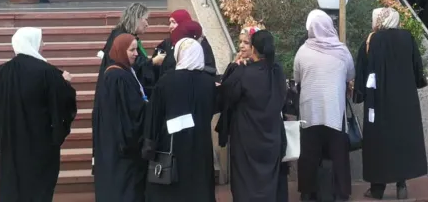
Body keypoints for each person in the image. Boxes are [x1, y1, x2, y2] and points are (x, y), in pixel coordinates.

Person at [0, 27, 78, 202]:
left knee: (13, 188)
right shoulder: (48, 72)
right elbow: (62, 105)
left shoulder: (2, 72)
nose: (43, 45)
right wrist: (66, 84)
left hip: (11, 145)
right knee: (38, 189)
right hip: (40, 145)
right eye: (41, 41)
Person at [354, 8, 427, 200]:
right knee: (401, 139)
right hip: (405, 100)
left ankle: (377, 188)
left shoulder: (371, 40)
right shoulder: (407, 38)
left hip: (378, 101)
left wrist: (359, 94)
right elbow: (417, 67)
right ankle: (401, 184)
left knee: (378, 142)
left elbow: (362, 68)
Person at [143, 38, 218, 202]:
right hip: (200, 144)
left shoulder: (166, 81)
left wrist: (149, 142)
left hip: (172, 143)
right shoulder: (208, 83)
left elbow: (155, 114)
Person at [217, 29, 288, 202]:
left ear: (254, 48)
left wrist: (234, 66)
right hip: (272, 135)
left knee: (245, 181)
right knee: (270, 181)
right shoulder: (277, 71)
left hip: (246, 138)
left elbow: (225, 93)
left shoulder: (243, 73)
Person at [294, 10, 356, 202]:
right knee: (338, 153)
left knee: (309, 153)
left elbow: (297, 78)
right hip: (334, 110)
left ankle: (307, 192)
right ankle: (340, 192)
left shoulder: (302, 51)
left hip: (310, 110)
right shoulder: (342, 51)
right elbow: (350, 75)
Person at [93, 33, 148, 202]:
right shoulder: (119, 76)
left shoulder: (117, 73)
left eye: (136, 49)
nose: (136, 53)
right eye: (132, 50)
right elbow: (132, 111)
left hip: (113, 143)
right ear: (121, 50)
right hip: (123, 146)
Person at [97, 3, 156, 90]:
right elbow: (131, 63)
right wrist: (153, 61)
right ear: (136, 19)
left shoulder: (125, 35)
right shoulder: (121, 38)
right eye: (146, 19)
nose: (147, 24)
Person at [152, 9, 218, 79]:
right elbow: (155, 67)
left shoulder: (200, 42)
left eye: (174, 22)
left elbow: (209, 68)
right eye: (170, 22)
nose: (170, 26)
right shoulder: (167, 43)